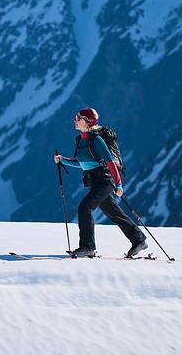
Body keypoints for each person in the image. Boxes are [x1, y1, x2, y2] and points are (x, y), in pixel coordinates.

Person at [54, 107, 148, 258]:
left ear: (86, 122)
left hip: (104, 181)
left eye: (78, 118)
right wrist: (63, 160)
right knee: (114, 213)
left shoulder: (96, 140)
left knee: (84, 207)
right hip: (93, 182)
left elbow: (110, 162)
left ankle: (87, 246)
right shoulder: (80, 140)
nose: (75, 120)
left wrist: (118, 184)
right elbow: (81, 162)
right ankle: (139, 240)